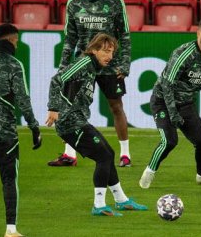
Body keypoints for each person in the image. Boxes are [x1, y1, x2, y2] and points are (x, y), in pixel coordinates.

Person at [46, 32, 147, 216]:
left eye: (112, 52)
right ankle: (99, 204)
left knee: (108, 153)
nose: (109, 56)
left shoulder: (93, 67)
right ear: (93, 49)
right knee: (103, 157)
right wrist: (53, 108)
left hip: (79, 120)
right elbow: (56, 80)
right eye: (106, 51)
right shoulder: (84, 63)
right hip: (70, 123)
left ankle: (121, 200)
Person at [48, 0, 132, 167]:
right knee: (72, 107)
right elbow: (70, 37)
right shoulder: (74, 3)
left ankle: (125, 154)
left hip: (110, 64)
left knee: (116, 106)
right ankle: (70, 155)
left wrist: (125, 63)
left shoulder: (114, 0)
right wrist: (64, 66)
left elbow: (124, 34)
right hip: (83, 64)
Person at [139, 18, 201, 189]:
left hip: (186, 104)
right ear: (198, 34)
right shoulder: (184, 53)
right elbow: (167, 84)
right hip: (163, 102)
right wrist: (173, 113)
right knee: (169, 141)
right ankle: (149, 172)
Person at [0, 24, 42, 237]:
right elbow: (23, 99)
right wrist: (33, 126)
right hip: (4, 132)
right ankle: (10, 229)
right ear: (13, 40)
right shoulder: (13, 64)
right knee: (9, 179)